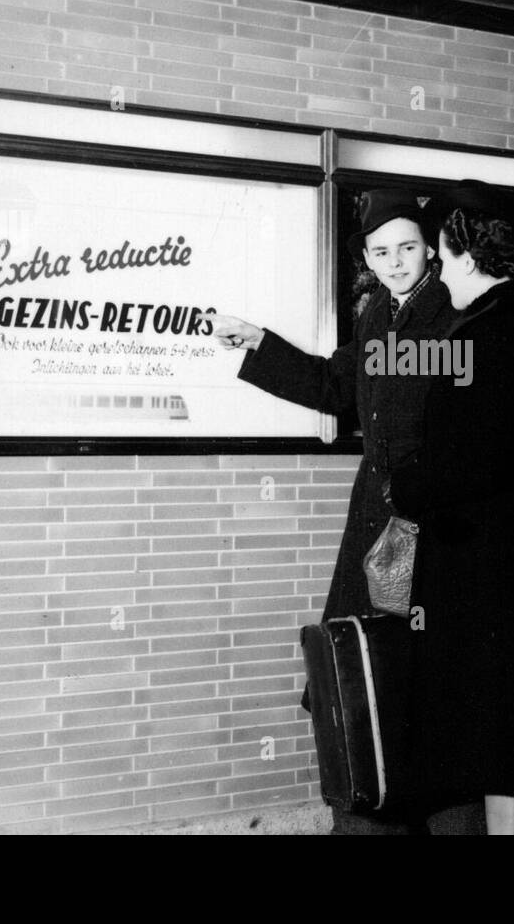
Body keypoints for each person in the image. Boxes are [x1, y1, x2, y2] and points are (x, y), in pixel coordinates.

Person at [210, 189, 459, 835]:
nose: (395, 261)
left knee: (420, 693)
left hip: (430, 529)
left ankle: (407, 813)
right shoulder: (376, 314)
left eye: (407, 247)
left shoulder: (456, 313)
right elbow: (331, 385)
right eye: (381, 251)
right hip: (373, 530)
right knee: (360, 683)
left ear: (430, 246)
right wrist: (259, 341)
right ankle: (367, 814)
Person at [387, 181, 514, 836]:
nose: (430, 262)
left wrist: (407, 482)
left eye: (435, 248)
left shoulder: (493, 335)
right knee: (506, 728)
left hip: (485, 568)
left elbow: (475, 458)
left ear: (461, 249)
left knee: (496, 726)